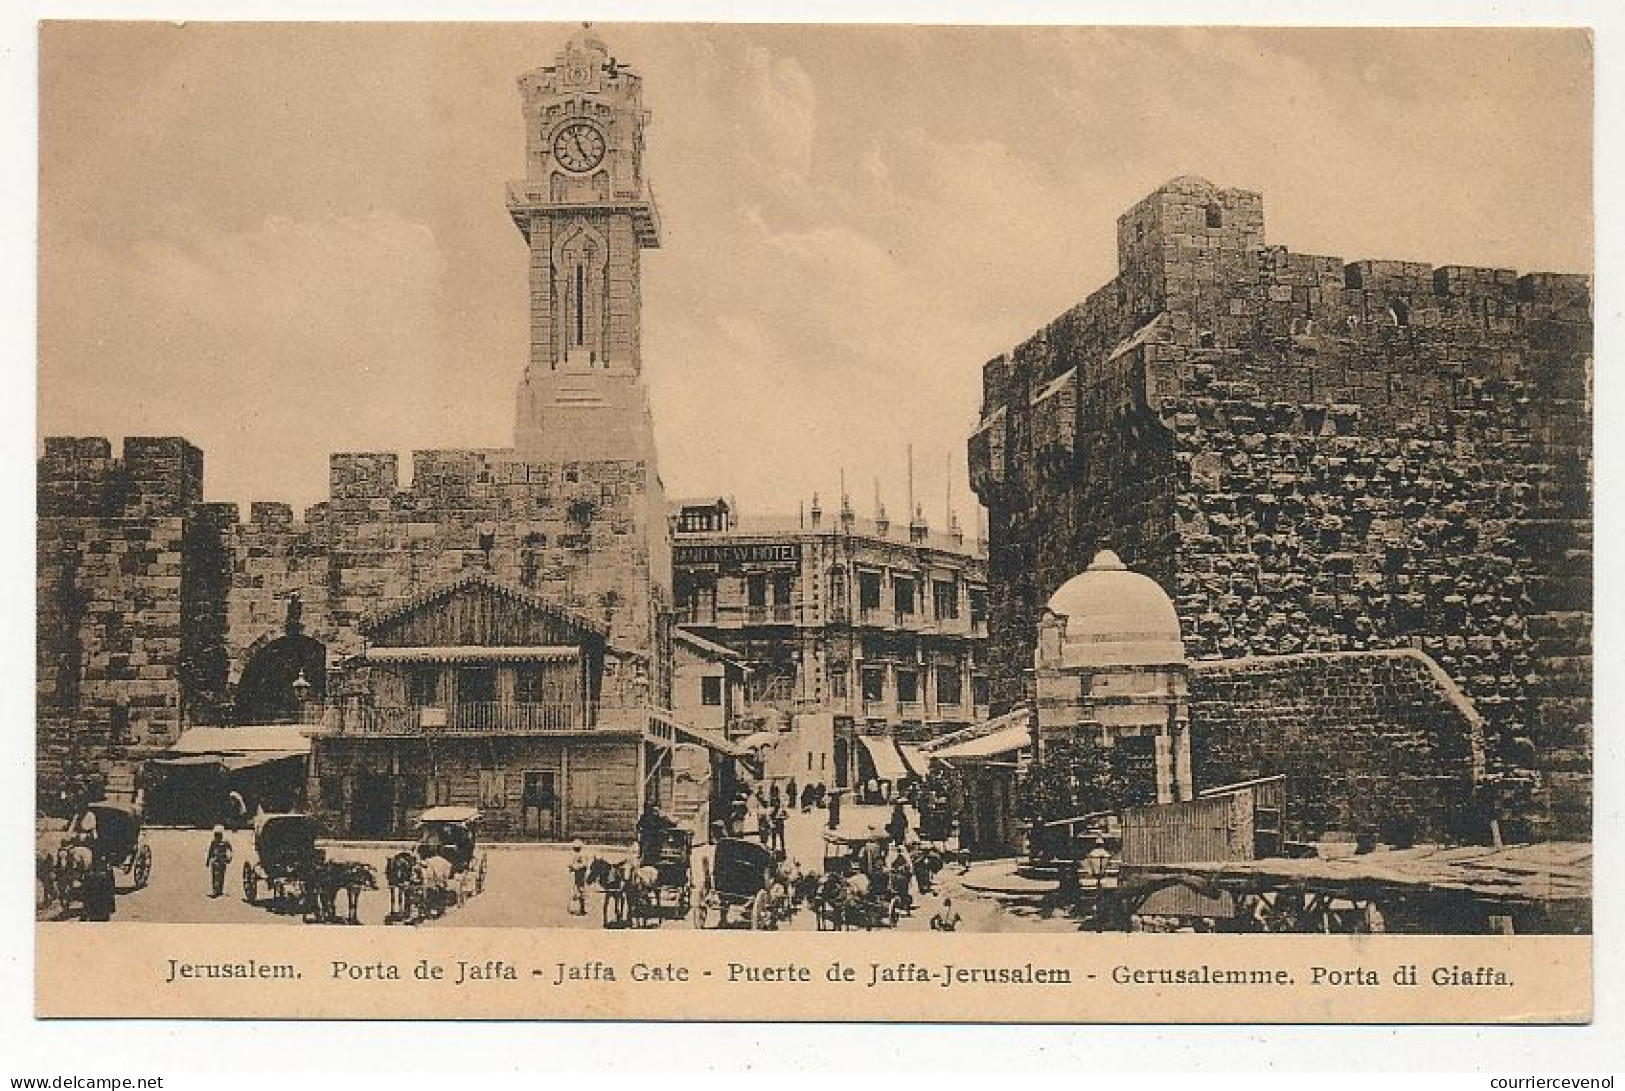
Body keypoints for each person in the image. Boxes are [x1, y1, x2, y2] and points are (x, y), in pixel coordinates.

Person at [205, 826, 233, 898]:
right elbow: (210, 851)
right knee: (215, 875)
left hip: (223, 860)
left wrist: (230, 857)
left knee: (221, 875)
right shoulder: (213, 842)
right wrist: (208, 860)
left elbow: (230, 849)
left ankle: (220, 890)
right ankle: (215, 889)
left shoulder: (225, 841)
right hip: (215, 860)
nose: (217, 836)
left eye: (218, 834)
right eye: (216, 834)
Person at [568, 838, 589, 915]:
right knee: (577, 890)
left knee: (580, 890)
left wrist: (574, 867)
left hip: (580, 874)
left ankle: (582, 908)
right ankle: (579, 908)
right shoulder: (577, 854)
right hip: (578, 874)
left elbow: (584, 865)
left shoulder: (582, 855)